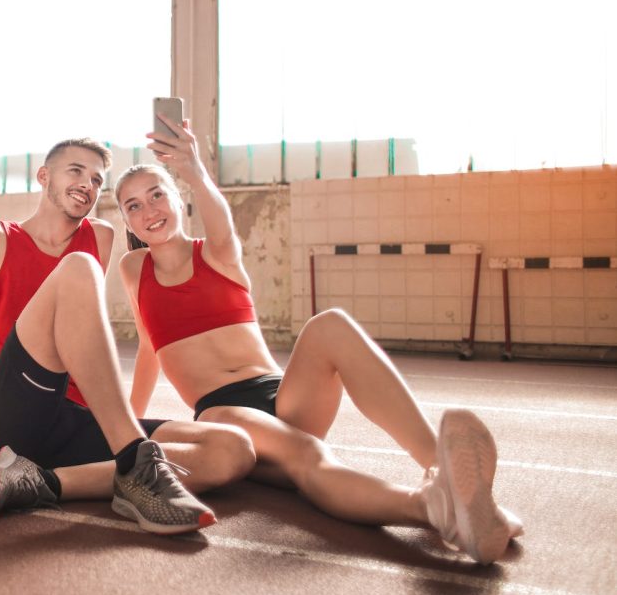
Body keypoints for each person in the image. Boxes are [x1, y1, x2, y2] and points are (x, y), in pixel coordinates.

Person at [113, 115, 523, 563]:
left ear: (180, 201)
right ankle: (434, 510)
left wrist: (193, 168)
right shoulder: (133, 271)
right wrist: (128, 427)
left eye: (158, 195)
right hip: (223, 410)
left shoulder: (216, 253)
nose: (149, 210)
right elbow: (152, 345)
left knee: (330, 323)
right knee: (309, 453)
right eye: (133, 206)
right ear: (128, 222)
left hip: (282, 393)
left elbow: (222, 221)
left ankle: (444, 473)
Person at [0, 138, 255, 534]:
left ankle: (41, 483)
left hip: (70, 420)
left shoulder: (101, 236)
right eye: (76, 170)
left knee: (233, 449)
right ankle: (135, 459)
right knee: (77, 269)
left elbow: (80, 328)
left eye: (96, 178)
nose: (87, 183)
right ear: (43, 176)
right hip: (7, 410)